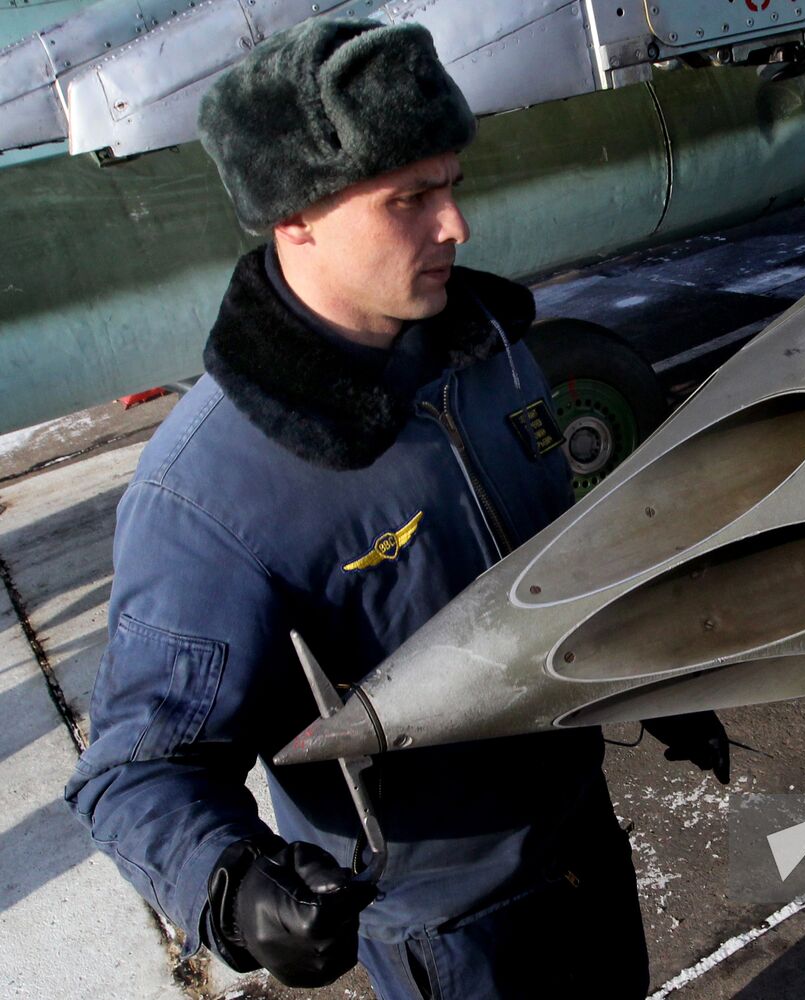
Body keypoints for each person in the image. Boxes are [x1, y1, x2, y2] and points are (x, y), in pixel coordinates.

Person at [64, 18, 729, 999]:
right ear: (295, 216)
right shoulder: (208, 493)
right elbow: (134, 774)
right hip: (450, 934)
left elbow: (553, 557)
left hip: (579, 840)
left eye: (451, 184)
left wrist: (652, 675)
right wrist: (233, 886)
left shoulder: (484, 354)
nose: (454, 225)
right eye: (409, 198)